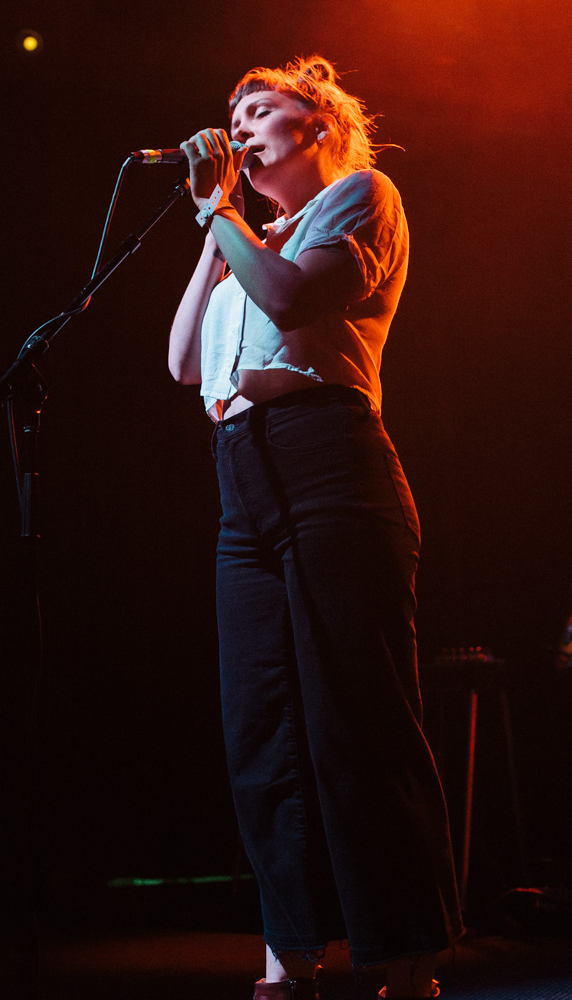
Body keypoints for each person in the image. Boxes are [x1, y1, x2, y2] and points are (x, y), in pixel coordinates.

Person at [168, 56, 464, 1000]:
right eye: (231, 114)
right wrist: (217, 231)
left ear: (319, 123)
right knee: (260, 726)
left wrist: (221, 215)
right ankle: (288, 953)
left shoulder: (360, 197)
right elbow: (181, 365)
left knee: (358, 718)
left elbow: (297, 302)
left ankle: (402, 952)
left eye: (260, 108)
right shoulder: (248, 240)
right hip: (242, 480)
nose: (241, 124)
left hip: (329, 461)